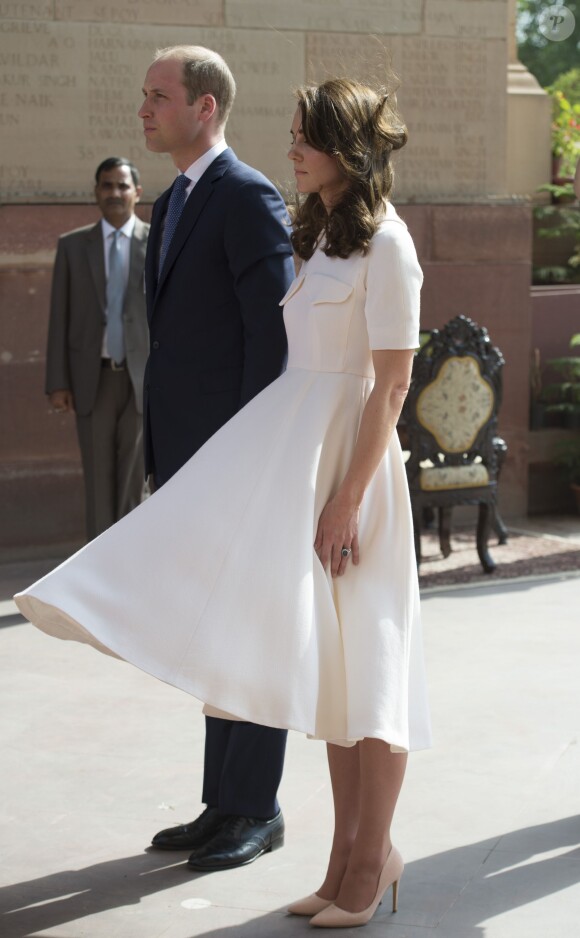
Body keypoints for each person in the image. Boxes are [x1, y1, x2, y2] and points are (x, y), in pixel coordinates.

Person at [16, 76, 431, 928]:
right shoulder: (322, 237)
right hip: (300, 467)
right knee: (335, 686)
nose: (292, 148)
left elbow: (391, 386)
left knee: (371, 678)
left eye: (305, 137)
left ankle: (369, 861)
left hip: (352, 477)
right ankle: (347, 859)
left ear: (345, 145)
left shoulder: (390, 245)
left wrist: (347, 500)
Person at [139, 46, 293, 870]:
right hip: (188, 462)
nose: (144, 109)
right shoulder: (169, 204)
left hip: (241, 459)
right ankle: (220, 802)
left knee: (251, 630)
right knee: (213, 631)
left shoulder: (248, 195)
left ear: (205, 107)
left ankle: (257, 808)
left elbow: (272, 338)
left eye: (158, 96)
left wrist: (249, 451)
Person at [46, 157, 149, 540]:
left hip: (141, 381)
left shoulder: (156, 242)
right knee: (98, 482)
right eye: (106, 186)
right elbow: (60, 316)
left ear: (137, 192)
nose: (114, 193)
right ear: (96, 192)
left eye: (122, 186)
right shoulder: (73, 247)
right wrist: (58, 382)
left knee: (135, 480)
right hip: (93, 380)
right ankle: (94, 575)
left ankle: (129, 566)